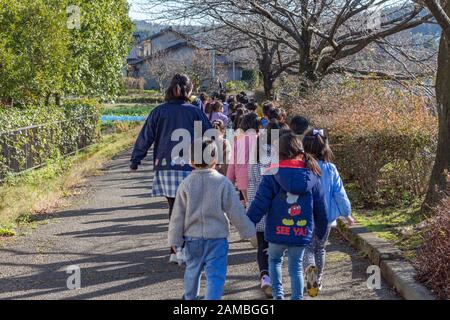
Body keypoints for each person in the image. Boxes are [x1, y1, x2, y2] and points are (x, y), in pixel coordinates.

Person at [130, 73, 212, 264]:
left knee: (174, 209)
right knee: (191, 209)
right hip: (191, 167)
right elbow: (209, 136)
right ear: (189, 90)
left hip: (165, 167)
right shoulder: (195, 112)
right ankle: (189, 248)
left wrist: (136, 159)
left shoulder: (159, 111)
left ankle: (175, 250)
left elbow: (146, 136)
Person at [168, 138, 256, 300]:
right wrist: (249, 231)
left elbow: (177, 215)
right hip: (217, 237)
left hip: (192, 237)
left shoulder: (185, 184)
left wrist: (175, 241)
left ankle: (189, 298)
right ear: (215, 160)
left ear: (191, 161)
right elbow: (235, 210)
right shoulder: (222, 183)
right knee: (216, 274)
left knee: (192, 271)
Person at [246, 132, 329, 300]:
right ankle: (297, 297)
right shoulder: (313, 173)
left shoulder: (272, 173)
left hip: (276, 231)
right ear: (300, 150)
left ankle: (279, 296)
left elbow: (260, 202)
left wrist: (247, 223)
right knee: (296, 267)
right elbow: (321, 207)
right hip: (301, 231)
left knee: (275, 262)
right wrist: (320, 231)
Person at [302, 129, 354, 297]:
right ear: (325, 147)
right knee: (320, 248)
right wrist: (347, 213)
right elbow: (339, 193)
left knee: (307, 248)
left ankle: (311, 276)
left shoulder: (303, 167)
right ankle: (318, 279)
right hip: (325, 216)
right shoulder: (330, 169)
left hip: (305, 215)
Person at [247, 120, 281, 298]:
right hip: (276, 208)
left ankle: (265, 276)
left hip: (258, 204)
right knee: (277, 246)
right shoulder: (279, 156)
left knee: (262, 245)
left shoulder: (256, 156)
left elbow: (251, 181)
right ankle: (277, 278)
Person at [227, 113, 260, 205]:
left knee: (248, 204)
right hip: (258, 178)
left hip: (242, 180)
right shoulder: (261, 139)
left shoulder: (238, 141)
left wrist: (229, 183)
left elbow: (232, 165)